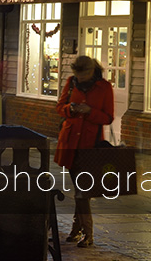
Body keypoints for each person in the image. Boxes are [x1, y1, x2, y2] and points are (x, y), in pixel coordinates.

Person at [54, 55, 114, 248]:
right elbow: (59, 107)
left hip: (90, 142)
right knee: (80, 188)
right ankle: (77, 230)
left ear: (90, 71)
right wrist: (70, 109)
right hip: (70, 142)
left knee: (83, 190)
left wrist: (90, 111)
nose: (78, 78)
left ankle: (86, 233)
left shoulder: (104, 87)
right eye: (76, 75)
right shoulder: (71, 83)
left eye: (82, 75)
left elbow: (108, 118)